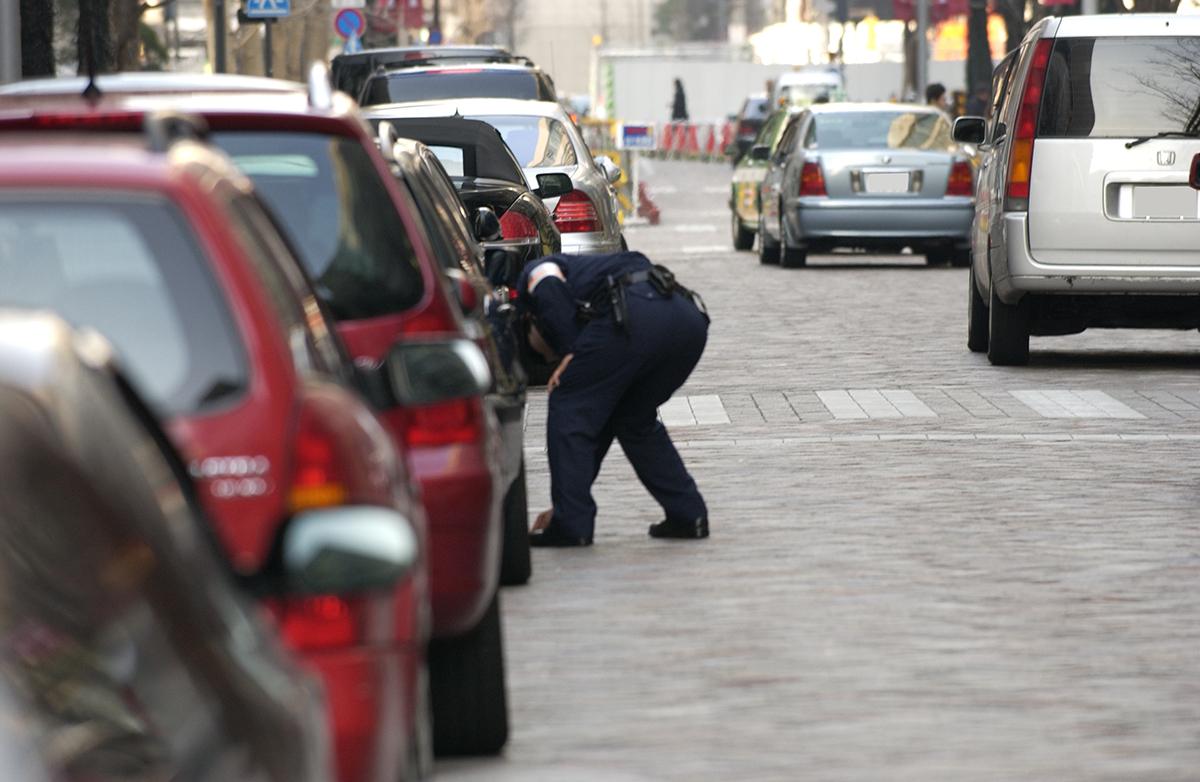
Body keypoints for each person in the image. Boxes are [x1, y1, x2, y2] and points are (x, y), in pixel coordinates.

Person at [518, 251, 710, 547]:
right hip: (687, 321)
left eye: (545, 354)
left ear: (532, 320)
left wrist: (569, 348)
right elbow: (590, 437)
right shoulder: (594, 279)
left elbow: (547, 285)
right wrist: (565, 504)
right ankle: (688, 515)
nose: (550, 359)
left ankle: (571, 527)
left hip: (635, 315)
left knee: (568, 400)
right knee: (631, 418)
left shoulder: (537, 272)